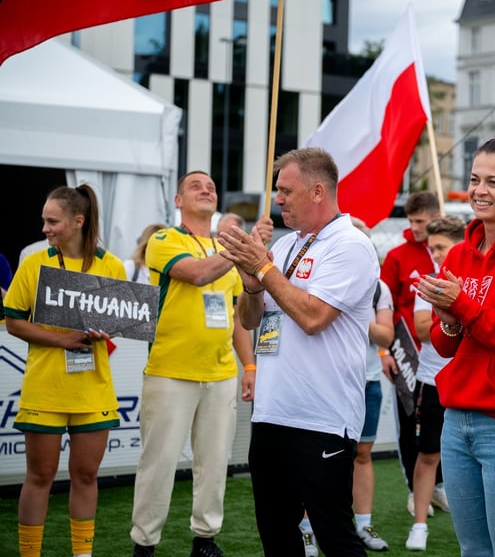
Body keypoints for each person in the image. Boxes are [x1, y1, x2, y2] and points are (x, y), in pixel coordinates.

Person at [216, 147, 379, 557]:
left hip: (322, 418)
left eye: (286, 190)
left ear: (318, 191)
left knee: (335, 535)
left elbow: (313, 317)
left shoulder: (351, 245)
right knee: (277, 535)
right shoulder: (288, 247)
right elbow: (252, 321)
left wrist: (264, 270)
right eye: (277, 191)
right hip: (272, 413)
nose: (278, 200)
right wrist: (251, 283)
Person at [416, 137, 495, 556]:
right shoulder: (457, 253)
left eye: (493, 181)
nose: (479, 191)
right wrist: (451, 321)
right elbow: (444, 343)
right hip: (456, 422)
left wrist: (463, 307)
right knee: (473, 549)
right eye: (474, 180)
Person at [129, 171, 272, 557]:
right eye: (195, 185)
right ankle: (145, 543)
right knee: (157, 464)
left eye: (211, 185)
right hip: (170, 371)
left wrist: (250, 367)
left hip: (221, 372)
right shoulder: (165, 239)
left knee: (214, 465)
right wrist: (243, 247)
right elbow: (196, 274)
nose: (206, 188)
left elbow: (239, 318)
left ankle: (205, 539)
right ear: (178, 201)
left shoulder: (223, 250)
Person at [4, 185, 126, 557]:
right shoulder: (34, 263)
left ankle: (82, 555)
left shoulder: (112, 266)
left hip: (93, 390)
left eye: (52, 221)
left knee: (86, 476)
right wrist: (62, 341)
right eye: (44, 220)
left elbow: (122, 320)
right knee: (39, 477)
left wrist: (110, 329)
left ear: (78, 221)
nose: (44, 228)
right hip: (46, 388)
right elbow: (12, 322)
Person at [379, 190, 446, 517]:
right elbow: (382, 306)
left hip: (442, 357)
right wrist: (385, 350)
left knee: (444, 424)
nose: (415, 227)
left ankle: (436, 488)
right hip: (405, 353)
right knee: (409, 425)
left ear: (435, 218)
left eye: (420, 221)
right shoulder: (397, 256)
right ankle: (412, 489)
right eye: (411, 221)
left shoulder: (450, 252)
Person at [405, 215, 465, 551]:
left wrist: (459, 311)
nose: (436, 255)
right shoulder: (429, 282)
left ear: (459, 243)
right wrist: (458, 315)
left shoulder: (474, 277)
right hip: (432, 380)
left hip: (467, 381)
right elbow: (422, 330)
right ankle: (419, 526)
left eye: (441, 247)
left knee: (466, 459)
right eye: (432, 249)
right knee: (428, 455)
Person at [349, 216, 394, 551]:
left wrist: (358, 315)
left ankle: (364, 525)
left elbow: (386, 334)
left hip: (368, 382)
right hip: (331, 383)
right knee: (317, 456)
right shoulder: (328, 277)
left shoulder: (380, 287)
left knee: (363, 454)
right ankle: (305, 527)